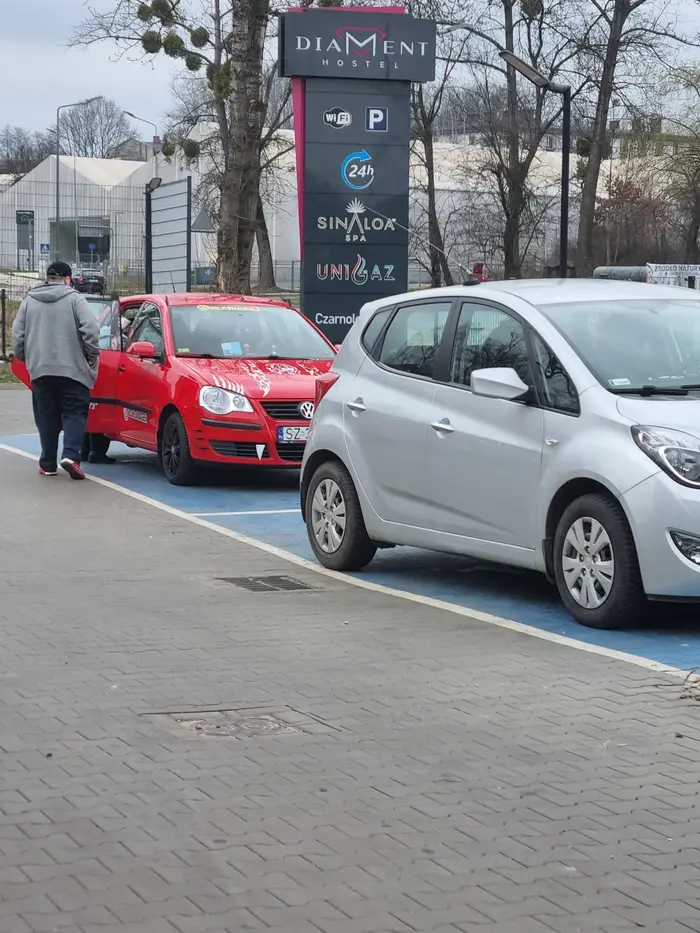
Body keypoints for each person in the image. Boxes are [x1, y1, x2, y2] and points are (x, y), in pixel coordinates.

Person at [12, 261, 100, 479]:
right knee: (74, 411)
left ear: (48, 277)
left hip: (40, 368)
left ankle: (48, 464)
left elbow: (17, 336)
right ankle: (70, 455)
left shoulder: (29, 300)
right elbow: (91, 329)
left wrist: (27, 357)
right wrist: (91, 355)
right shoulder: (75, 299)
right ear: (68, 279)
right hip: (73, 369)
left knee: (46, 415)